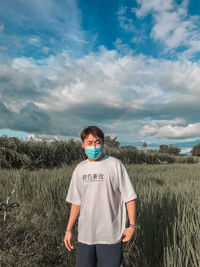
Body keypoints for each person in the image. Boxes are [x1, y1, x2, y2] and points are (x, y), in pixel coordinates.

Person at [64, 126, 137, 267]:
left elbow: (129, 197)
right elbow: (76, 202)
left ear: (103, 143)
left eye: (97, 142)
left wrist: (132, 225)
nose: (94, 146)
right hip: (86, 235)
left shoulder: (115, 165)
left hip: (110, 235)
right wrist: (69, 229)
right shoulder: (80, 169)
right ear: (83, 145)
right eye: (90, 143)